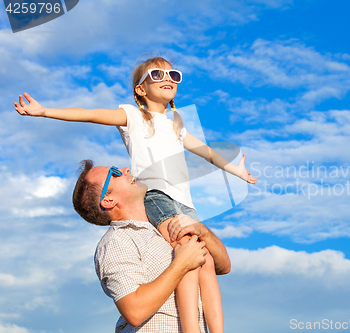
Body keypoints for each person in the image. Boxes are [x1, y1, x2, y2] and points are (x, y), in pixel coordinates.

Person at [14, 56, 256, 333]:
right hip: (158, 196)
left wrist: (235, 170)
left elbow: (205, 151)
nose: (167, 78)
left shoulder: (177, 123)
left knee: (207, 261)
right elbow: (90, 113)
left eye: (173, 75)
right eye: (156, 74)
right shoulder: (132, 116)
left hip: (185, 203)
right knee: (187, 255)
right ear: (140, 89)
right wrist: (45, 111)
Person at [72, 159, 231, 332]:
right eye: (115, 173)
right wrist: (182, 264)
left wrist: (204, 232)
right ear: (108, 200)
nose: (125, 169)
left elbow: (224, 266)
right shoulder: (116, 242)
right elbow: (134, 311)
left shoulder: (165, 227)